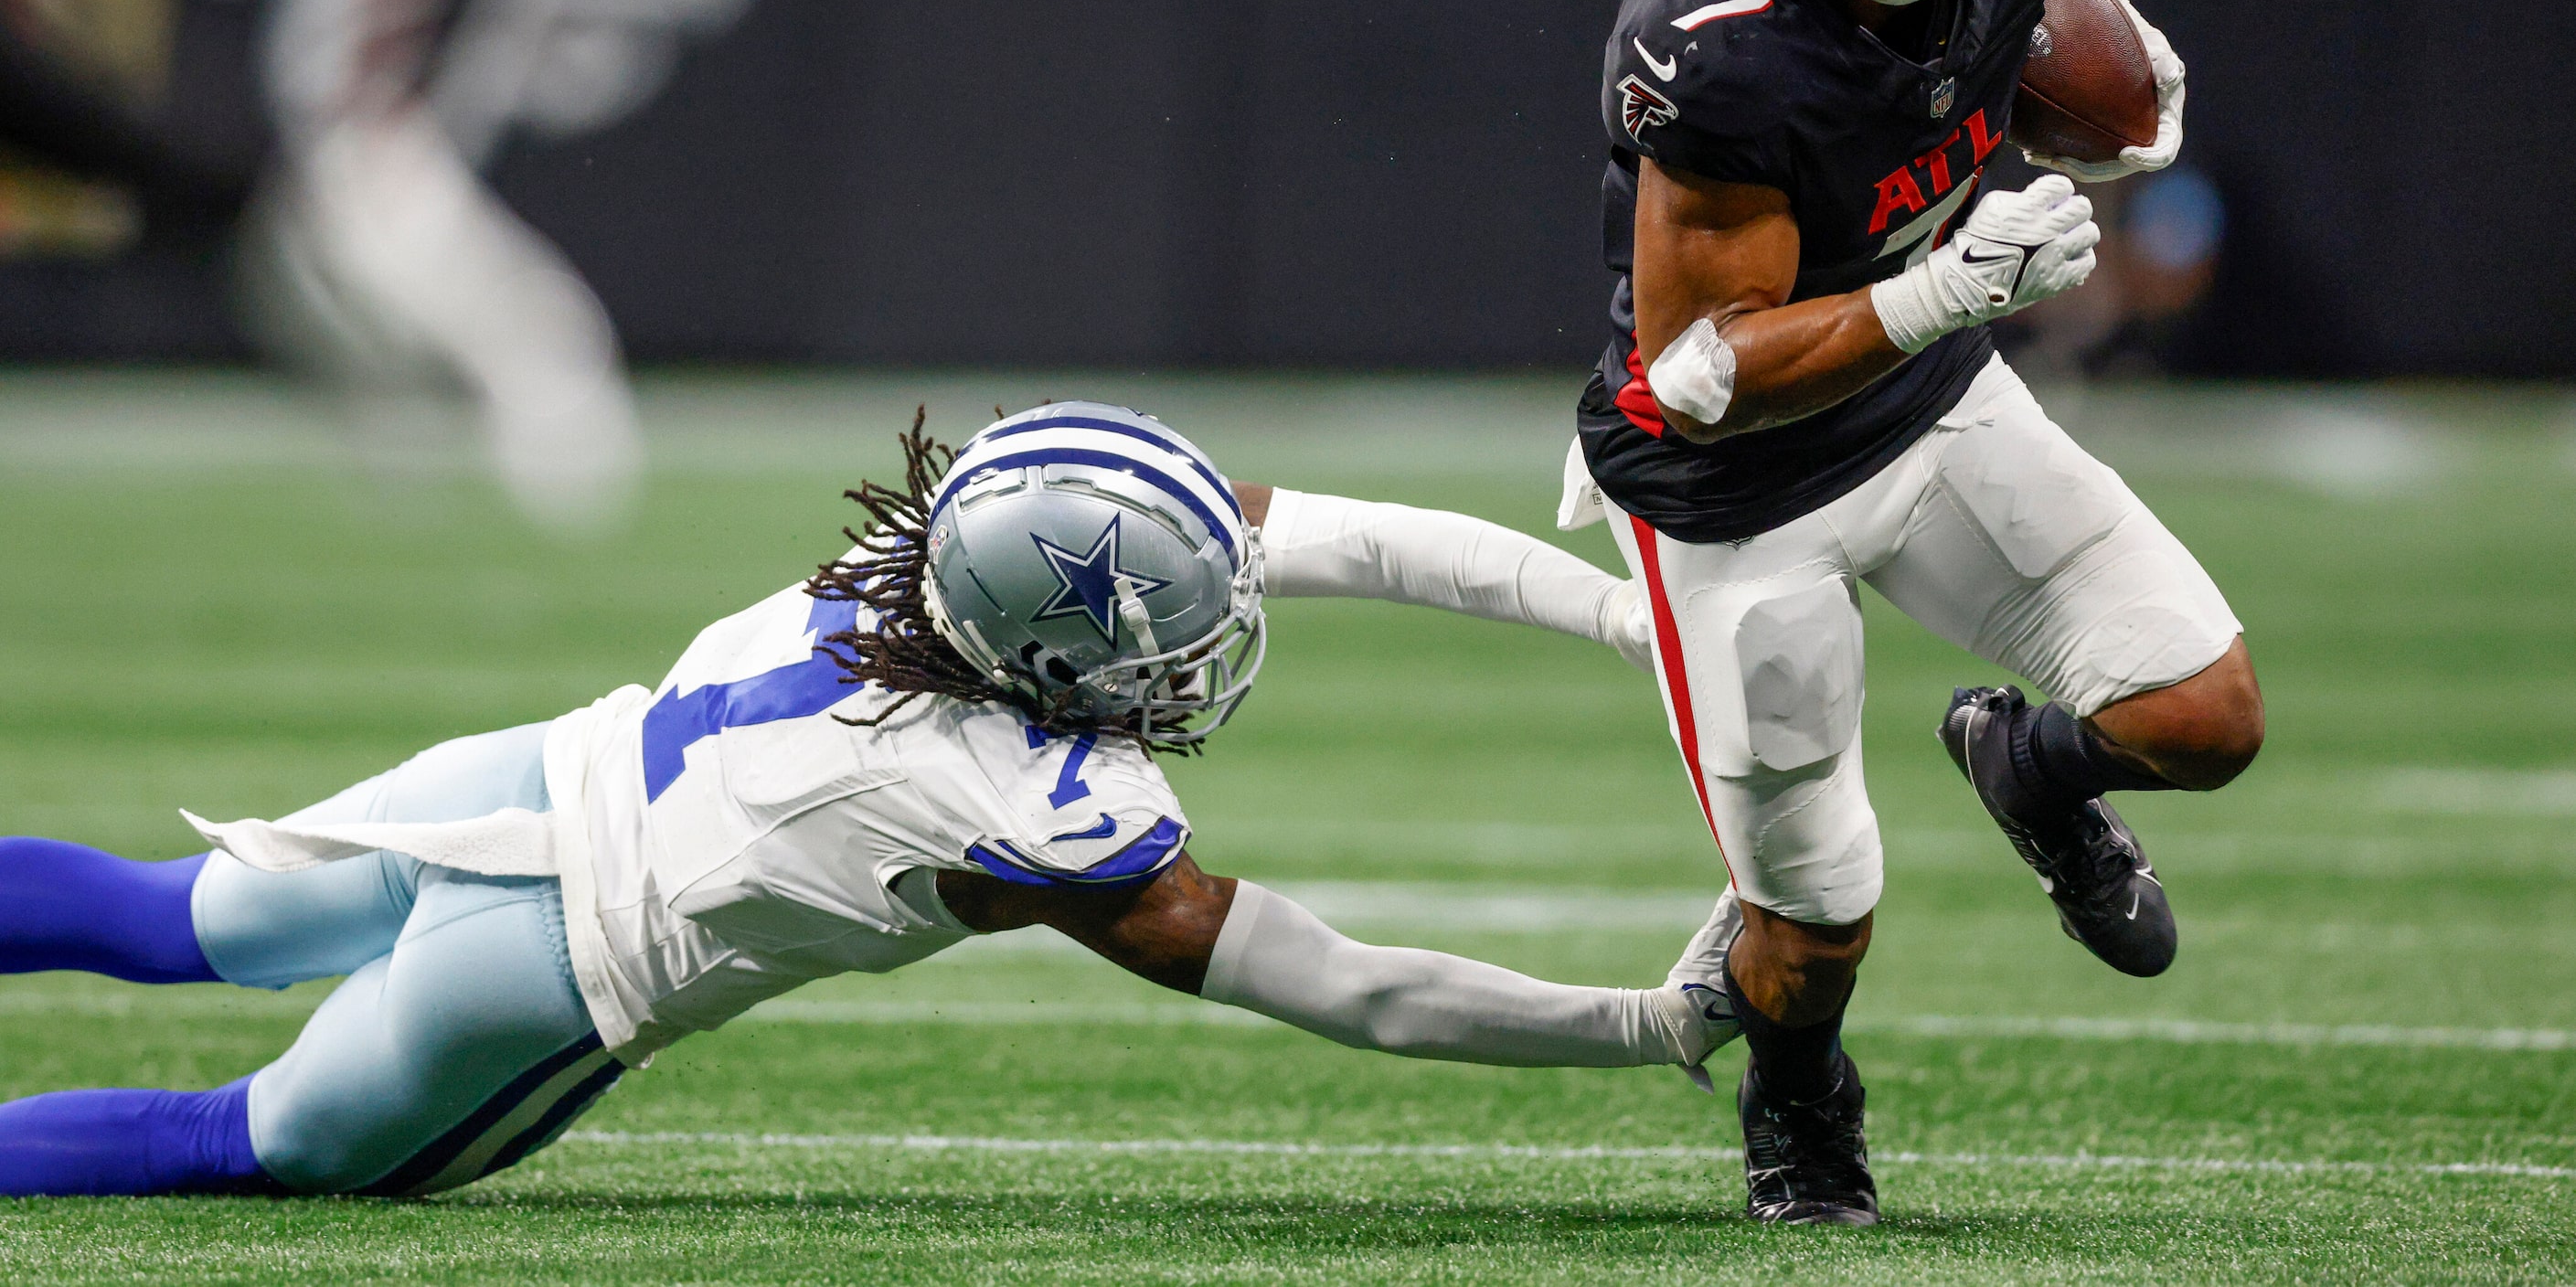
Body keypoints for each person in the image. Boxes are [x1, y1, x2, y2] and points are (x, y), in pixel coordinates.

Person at [0, 403, 1740, 1197]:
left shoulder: (926, 545)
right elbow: (1343, 979)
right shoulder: (1043, 819)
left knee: (162, 916)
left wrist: (1612, 608)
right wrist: (1648, 1024)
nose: (1216, 638)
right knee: (222, 1138)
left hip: (514, 782)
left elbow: (1319, 531)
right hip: (553, 974)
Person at [1566, 0, 2263, 1226]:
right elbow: (1697, 373)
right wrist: (1948, 289)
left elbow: (2067, 21)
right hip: (1735, 487)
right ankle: (1798, 1096)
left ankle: (2027, 766)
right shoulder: (1708, 42)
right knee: (1811, 934)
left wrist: (2123, 86)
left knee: (2203, 716)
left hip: (1931, 406)